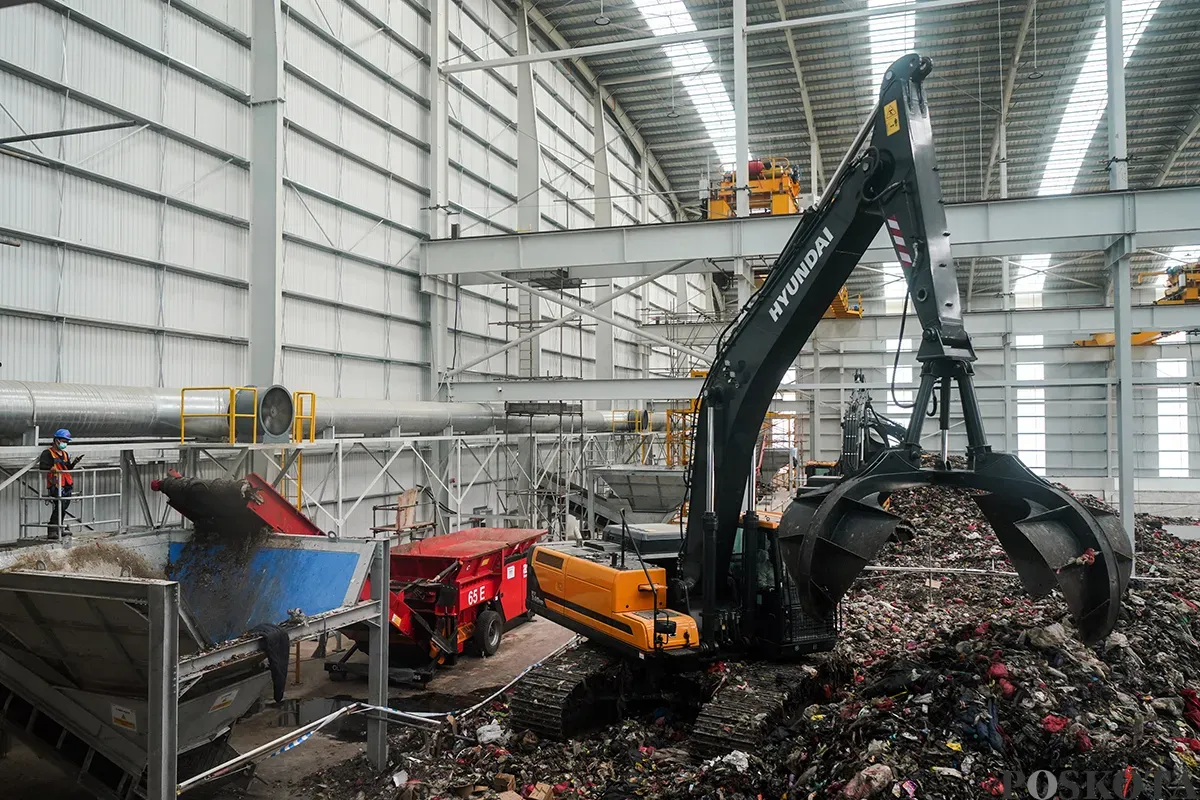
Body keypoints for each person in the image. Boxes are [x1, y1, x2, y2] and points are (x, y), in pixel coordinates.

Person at [39, 428, 82, 539]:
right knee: (59, 506)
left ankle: (59, 528)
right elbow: (42, 466)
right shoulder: (48, 453)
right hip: (55, 484)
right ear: (56, 440)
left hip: (66, 483)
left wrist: (74, 463)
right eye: (63, 441)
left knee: (64, 506)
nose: (65, 444)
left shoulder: (65, 454)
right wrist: (51, 468)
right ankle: (52, 530)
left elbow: (66, 468)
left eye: (66, 442)